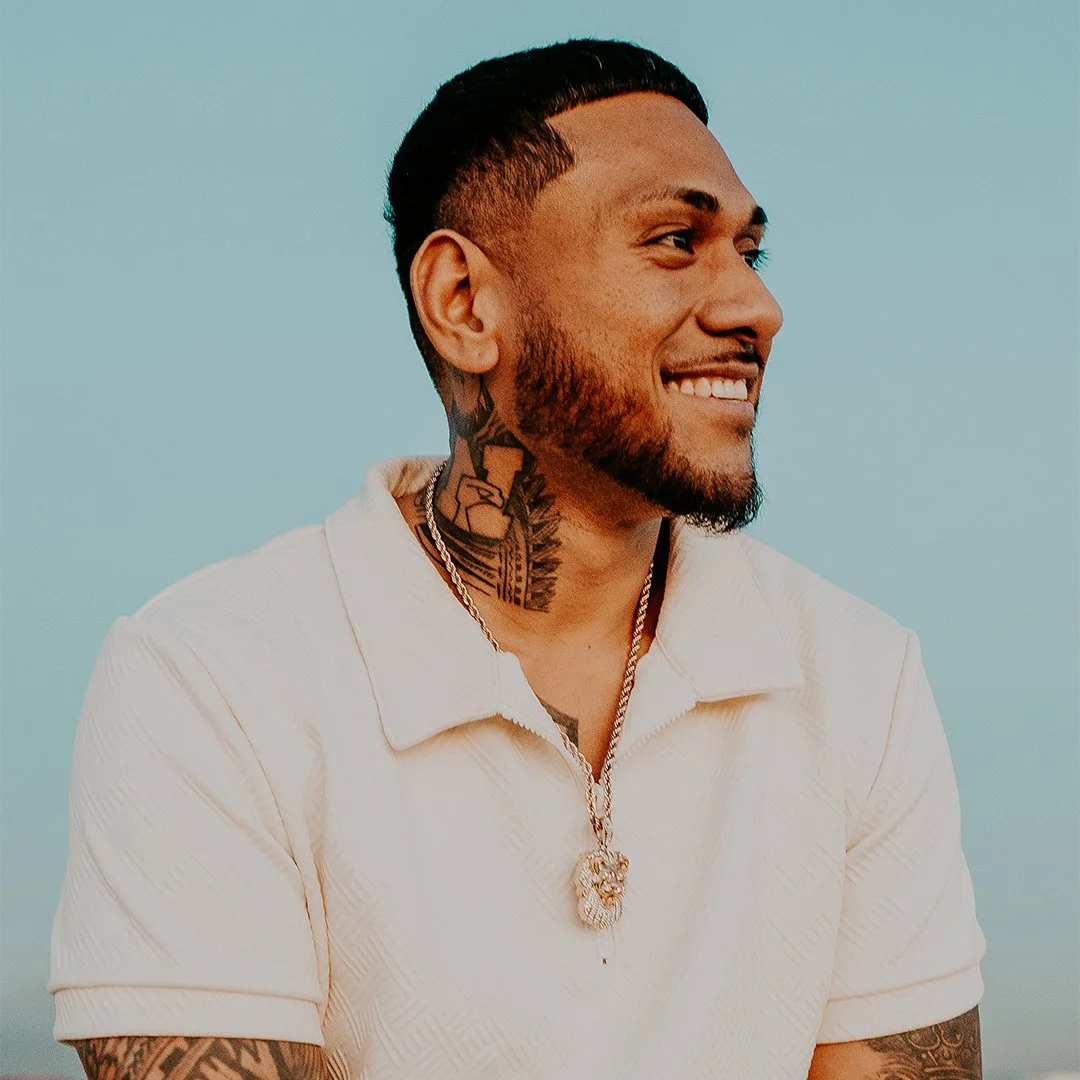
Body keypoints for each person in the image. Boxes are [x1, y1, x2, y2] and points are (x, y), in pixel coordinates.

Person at [50, 38, 986, 1080]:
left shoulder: (857, 678)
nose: (755, 308)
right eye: (675, 241)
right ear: (464, 302)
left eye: (749, 253)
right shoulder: (211, 682)